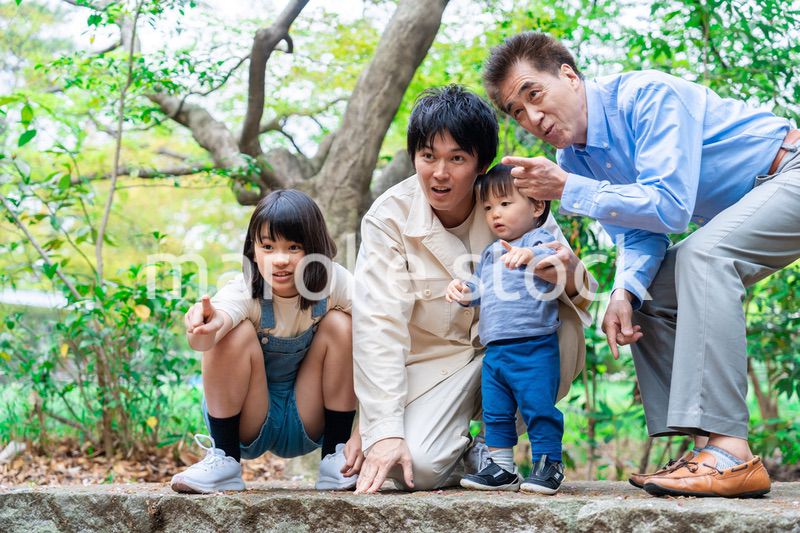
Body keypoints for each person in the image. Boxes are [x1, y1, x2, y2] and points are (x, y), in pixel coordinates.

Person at [483, 31, 799, 498]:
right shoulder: (573, 157)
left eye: (535, 95)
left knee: (701, 257)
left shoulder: (647, 97)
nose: (532, 118)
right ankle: (705, 452)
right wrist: (622, 293)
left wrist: (568, 188)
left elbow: (669, 206)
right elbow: (639, 234)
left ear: (568, 76)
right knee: (647, 292)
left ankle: (731, 453)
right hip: (749, 205)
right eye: (517, 112)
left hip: (788, 170)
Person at [353, 85, 595, 494]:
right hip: (436, 367)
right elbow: (378, 327)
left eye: (457, 159)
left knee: (565, 321)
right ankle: (469, 451)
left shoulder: (517, 197)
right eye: (428, 157)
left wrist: (566, 274)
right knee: (420, 468)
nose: (440, 173)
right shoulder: (388, 218)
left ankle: (507, 449)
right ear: (414, 156)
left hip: (518, 348)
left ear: (482, 163)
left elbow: (578, 288)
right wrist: (381, 428)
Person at [171, 189, 363, 494]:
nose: (281, 260)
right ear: (253, 250)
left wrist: (372, 428)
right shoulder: (243, 289)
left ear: (316, 249)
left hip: (307, 414)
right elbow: (209, 335)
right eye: (268, 246)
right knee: (233, 331)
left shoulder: (334, 283)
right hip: (250, 419)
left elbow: (382, 327)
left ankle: (335, 457)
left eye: (294, 247)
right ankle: (224, 459)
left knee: (342, 324)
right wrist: (203, 327)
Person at [447, 164, 568, 494]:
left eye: (504, 204)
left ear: (537, 205)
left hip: (534, 347)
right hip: (496, 351)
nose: (494, 215)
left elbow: (559, 256)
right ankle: (500, 466)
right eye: (488, 208)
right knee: (495, 412)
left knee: (538, 408)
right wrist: (464, 290)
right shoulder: (492, 252)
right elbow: (482, 288)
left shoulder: (540, 239)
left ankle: (549, 463)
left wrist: (531, 254)